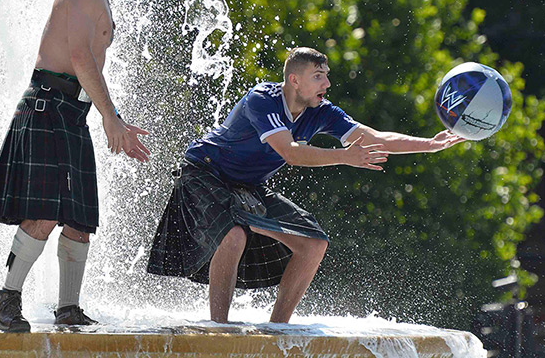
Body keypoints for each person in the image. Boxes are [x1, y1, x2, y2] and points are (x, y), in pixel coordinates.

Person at [147, 47, 463, 323]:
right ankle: (221, 331)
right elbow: (291, 153)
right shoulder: (263, 100)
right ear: (294, 80)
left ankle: (278, 330)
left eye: (326, 76)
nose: (326, 84)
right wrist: (345, 156)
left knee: (314, 244)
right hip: (204, 174)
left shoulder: (321, 111)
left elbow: (377, 138)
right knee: (233, 235)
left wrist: (429, 144)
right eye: (318, 76)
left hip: (247, 185)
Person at [0, 0, 150, 332]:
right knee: (42, 213)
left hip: (69, 113)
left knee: (79, 217)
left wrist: (110, 115)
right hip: (47, 106)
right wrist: (111, 116)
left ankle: (68, 308)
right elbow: (77, 56)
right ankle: (6, 300)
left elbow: (86, 63)